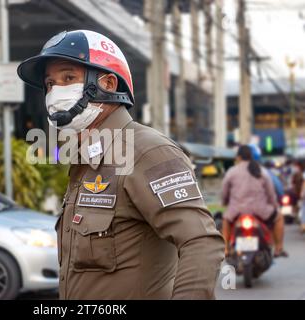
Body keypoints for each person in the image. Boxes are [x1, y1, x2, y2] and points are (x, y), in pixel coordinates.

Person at [17, 30, 225, 299]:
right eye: (50, 84)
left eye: (68, 78)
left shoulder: (148, 151)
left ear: (108, 83)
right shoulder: (84, 160)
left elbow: (201, 242)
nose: (55, 93)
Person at [221, 145, 287, 257]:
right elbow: (271, 194)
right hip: (261, 211)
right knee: (279, 217)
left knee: (226, 221)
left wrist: (224, 202)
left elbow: (224, 192)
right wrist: (274, 205)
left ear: (238, 157)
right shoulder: (261, 171)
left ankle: (226, 249)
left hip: (236, 211)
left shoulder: (231, 172)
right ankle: (278, 248)